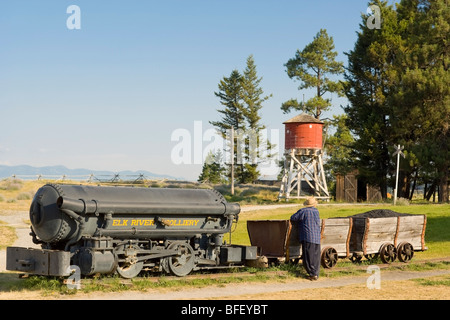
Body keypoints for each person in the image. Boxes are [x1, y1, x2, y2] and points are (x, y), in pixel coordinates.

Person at [290, 197, 321, 280]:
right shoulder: (316, 211)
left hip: (308, 236)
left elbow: (293, 218)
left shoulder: (303, 211)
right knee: (315, 256)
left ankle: (312, 274)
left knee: (308, 256)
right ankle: (316, 273)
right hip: (317, 236)